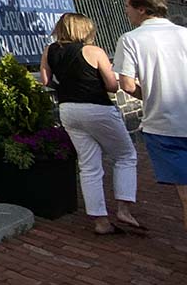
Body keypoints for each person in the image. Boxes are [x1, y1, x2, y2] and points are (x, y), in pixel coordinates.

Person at [39, 13, 140, 235]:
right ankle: (124, 208)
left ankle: (100, 221)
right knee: (125, 155)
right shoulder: (94, 51)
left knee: (88, 165)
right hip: (97, 107)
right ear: (84, 29)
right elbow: (113, 86)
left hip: (68, 109)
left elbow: (45, 81)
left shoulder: (50, 50)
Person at [113, 0, 187, 230]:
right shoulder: (184, 34)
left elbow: (126, 83)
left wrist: (151, 94)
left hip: (164, 124)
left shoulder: (131, 39)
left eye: (128, 7)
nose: (127, 13)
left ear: (141, 9)